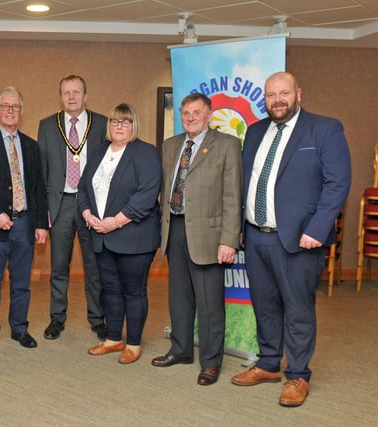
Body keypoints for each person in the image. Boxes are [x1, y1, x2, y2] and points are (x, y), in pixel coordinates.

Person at [231, 72, 351, 407]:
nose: (277, 100)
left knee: (298, 310)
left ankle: (297, 374)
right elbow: (247, 182)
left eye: (284, 93)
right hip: (255, 237)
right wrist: (239, 227)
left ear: (298, 93)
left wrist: (317, 228)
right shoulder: (254, 132)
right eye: (271, 95)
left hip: (299, 239)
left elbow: (338, 183)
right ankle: (269, 363)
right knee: (265, 306)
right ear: (264, 99)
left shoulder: (325, 129)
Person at [151, 93, 243, 386]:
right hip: (175, 229)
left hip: (210, 235)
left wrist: (228, 240)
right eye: (186, 113)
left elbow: (232, 196)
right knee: (179, 296)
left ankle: (211, 362)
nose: (190, 118)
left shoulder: (227, 145)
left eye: (196, 112)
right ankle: (180, 349)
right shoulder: (170, 145)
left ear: (209, 115)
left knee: (209, 302)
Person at [78, 103, 161, 364]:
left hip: (134, 237)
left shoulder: (145, 153)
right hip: (101, 235)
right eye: (115, 122)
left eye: (125, 122)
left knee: (133, 291)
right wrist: (87, 214)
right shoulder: (100, 151)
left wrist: (116, 222)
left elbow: (147, 194)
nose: (119, 127)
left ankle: (134, 344)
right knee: (110, 290)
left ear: (133, 125)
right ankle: (114, 338)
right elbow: (83, 188)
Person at [0, 87, 48, 352]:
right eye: (5, 106)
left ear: (21, 111)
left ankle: (19, 328)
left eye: (15, 107)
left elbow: (38, 187)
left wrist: (40, 224)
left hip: (25, 224)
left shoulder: (30, 145)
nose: (10, 111)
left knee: (21, 282)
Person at [37, 74, 108, 341]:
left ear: (85, 96)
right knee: (58, 266)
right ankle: (57, 318)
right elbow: (42, 170)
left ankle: (97, 319)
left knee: (94, 266)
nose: (71, 97)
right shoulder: (47, 125)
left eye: (76, 92)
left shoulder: (101, 124)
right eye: (66, 92)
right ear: (60, 96)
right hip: (61, 203)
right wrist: (44, 209)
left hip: (92, 204)